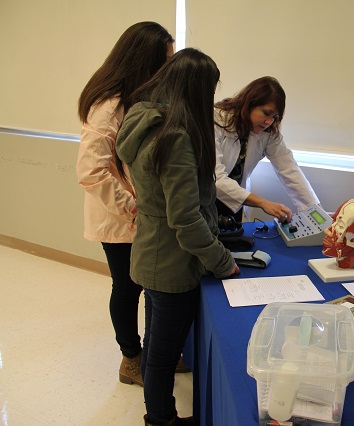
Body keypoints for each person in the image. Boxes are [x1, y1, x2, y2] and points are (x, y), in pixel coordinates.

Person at [115, 47, 239, 426]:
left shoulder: (144, 121)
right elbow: (185, 219)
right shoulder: (176, 138)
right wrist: (223, 262)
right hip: (171, 264)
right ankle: (161, 419)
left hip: (151, 252)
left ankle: (159, 416)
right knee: (162, 355)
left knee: (155, 346)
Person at [76, 21, 175, 387]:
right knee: (127, 286)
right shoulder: (109, 105)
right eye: (164, 61)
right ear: (144, 60)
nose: (167, 68)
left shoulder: (137, 97)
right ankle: (131, 359)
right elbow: (90, 171)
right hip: (120, 215)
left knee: (149, 284)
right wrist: (133, 208)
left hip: (139, 212)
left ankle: (154, 353)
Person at [214, 76, 320, 224]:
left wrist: (315, 212)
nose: (269, 122)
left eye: (274, 117)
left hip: (235, 202)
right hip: (207, 200)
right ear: (249, 104)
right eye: (266, 113)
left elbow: (289, 169)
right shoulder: (216, 120)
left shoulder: (268, 134)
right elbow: (215, 178)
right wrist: (262, 203)